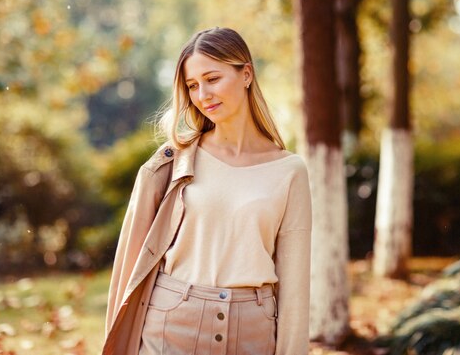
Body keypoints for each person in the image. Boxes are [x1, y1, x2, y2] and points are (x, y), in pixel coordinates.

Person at [102, 27, 313, 355]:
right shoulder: (172, 163)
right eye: (192, 85)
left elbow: (295, 288)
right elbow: (128, 268)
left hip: (253, 332)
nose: (203, 95)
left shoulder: (289, 171)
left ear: (246, 74)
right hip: (171, 325)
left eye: (212, 79)